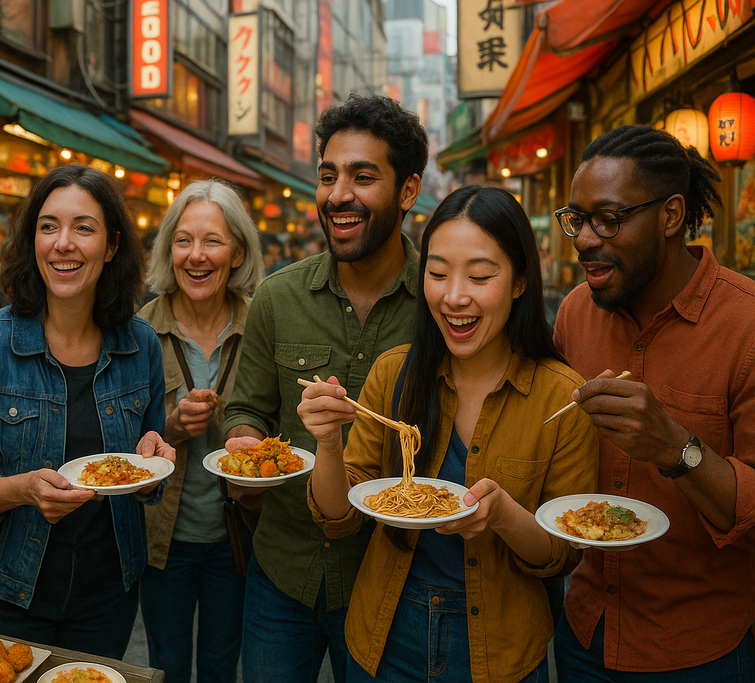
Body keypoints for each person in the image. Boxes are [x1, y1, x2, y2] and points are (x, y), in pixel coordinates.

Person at [298, 186, 599, 682]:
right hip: (385, 634)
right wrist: (327, 442)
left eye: (480, 276)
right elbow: (339, 518)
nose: (454, 296)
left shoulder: (561, 398)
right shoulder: (394, 374)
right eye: (437, 274)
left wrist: (502, 515)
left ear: (521, 281)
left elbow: (561, 554)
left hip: (500, 650)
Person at [222, 93, 428, 683]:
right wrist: (243, 444)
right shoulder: (278, 297)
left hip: (391, 582)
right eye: (329, 175)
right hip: (281, 572)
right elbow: (246, 409)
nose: (339, 195)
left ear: (408, 191)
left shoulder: (441, 306)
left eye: (364, 177)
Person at [0, 164, 174, 658]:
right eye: (48, 226)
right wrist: (21, 490)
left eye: (83, 227)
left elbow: (149, 465)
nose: (63, 243)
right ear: (32, 242)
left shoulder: (141, 345)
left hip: (106, 593)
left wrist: (153, 469)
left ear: (110, 247)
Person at [552, 124, 755, 680]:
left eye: (609, 219)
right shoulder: (574, 312)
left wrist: (674, 448)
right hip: (584, 632)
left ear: (669, 215)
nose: (585, 239)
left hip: (701, 649)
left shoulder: (746, 326)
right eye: (576, 219)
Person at [137, 179, 263, 683]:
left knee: (220, 664)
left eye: (212, 240)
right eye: (184, 240)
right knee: (165, 663)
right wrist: (169, 428)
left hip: (238, 535)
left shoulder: (262, 323)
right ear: (170, 248)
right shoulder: (141, 329)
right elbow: (120, 441)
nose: (196, 255)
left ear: (236, 251)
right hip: (164, 541)